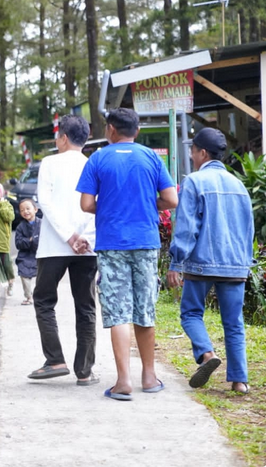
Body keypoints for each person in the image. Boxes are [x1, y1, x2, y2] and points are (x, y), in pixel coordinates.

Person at [77, 108, 178, 400]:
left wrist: (109, 206)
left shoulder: (97, 158)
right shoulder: (150, 157)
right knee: (144, 309)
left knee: (118, 312)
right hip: (145, 242)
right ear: (137, 131)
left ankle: (123, 382)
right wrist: (146, 204)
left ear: (110, 129)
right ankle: (149, 376)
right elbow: (171, 199)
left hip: (111, 243)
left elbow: (86, 204)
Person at [166, 128, 254, 394]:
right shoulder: (239, 185)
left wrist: (176, 262)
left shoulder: (194, 181)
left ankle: (206, 355)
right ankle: (240, 382)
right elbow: (247, 229)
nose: (191, 155)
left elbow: (186, 227)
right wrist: (244, 263)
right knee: (233, 322)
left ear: (202, 153)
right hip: (235, 264)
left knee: (191, 313)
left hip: (201, 261)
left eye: (192, 150)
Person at [27, 114, 99, 386]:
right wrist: (85, 238)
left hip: (54, 246)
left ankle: (55, 359)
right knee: (86, 306)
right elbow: (97, 205)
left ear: (64, 138)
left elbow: (44, 201)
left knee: (44, 300)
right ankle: (85, 371)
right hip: (87, 248)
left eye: (58, 135)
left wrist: (69, 237)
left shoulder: (50, 162)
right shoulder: (93, 163)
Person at [14, 199, 40, 306]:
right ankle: (29, 296)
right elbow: (18, 243)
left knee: (42, 277)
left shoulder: (42, 224)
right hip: (25, 255)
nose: (26, 211)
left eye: (28, 208)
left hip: (40, 255)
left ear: (35, 209)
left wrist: (33, 240)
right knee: (24, 275)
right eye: (22, 210)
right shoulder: (20, 227)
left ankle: (39, 296)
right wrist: (29, 240)